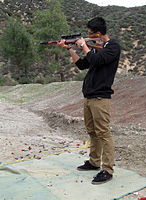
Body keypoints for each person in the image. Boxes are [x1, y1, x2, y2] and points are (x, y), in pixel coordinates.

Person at [57, 17, 121, 184]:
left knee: (103, 133)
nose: (87, 37)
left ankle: (107, 169)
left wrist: (83, 45)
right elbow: (83, 64)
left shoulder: (112, 47)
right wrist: (70, 49)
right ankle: (94, 162)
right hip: (89, 96)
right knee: (92, 132)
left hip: (101, 97)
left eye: (90, 34)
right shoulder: (96, 49)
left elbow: (96, 60)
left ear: (98, 34)